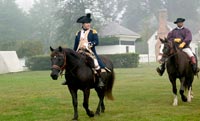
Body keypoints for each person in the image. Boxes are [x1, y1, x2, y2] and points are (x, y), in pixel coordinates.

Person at [62, 13, 110, 87]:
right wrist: (73, 53)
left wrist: (89, 44)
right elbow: (75, 45)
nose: (88, 24)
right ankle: (68, 79)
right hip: (79, 52)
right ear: (83, 24)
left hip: (89, 51)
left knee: (96, 63)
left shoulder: (93, 32)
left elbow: (96, 42)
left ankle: (100, 79)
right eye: (87, 23)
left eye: (89, 23)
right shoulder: (78, 33)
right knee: (69, 62)